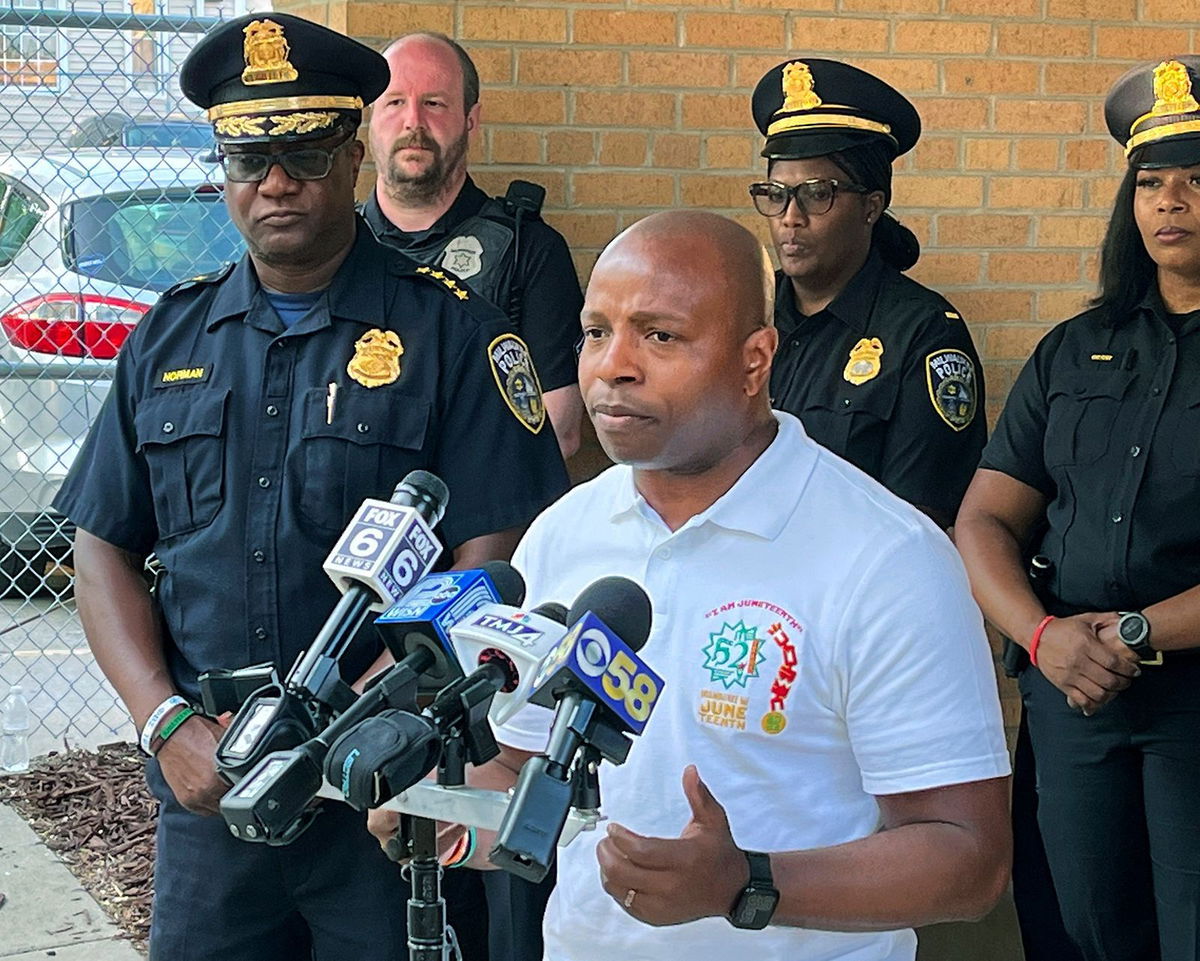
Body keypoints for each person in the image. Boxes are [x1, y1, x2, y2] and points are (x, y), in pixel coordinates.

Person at [52, 14, 568, 961]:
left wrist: (367, 717)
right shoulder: (169, 338)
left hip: (384, 798)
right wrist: (164, 721)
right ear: (225, 172)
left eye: (304, 152)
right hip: (213, 791)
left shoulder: (456, 335)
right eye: (250, 158)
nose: (276, 182)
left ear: (351, 153)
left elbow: (491, 559)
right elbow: (103, 543)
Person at [371, 210, 1012, 960]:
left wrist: (747, 885)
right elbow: (524, 769)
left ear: (755, 359)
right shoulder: (563, 534)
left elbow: (970, 859)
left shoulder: (888, 557)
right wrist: (436, 812)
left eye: (660, 335)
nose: (613, 365)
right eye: (595, 331)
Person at [956, 56, 1200, 961]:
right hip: (1074, 694)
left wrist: (1134, 631)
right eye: (1151, 182)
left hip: (1187, 697)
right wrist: (1041, 636)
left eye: (1196, 180)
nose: (1169, 201)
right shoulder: (1074, 350)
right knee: (1085, 929)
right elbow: (982, 521)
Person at [749, 59, 986, 528]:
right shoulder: (747, 310)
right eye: (776, 193)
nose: (790, 217)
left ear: (871, 207)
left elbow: (921, 522)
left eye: (818, 194)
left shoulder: (924, 335)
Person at [364, 31, 584, 459]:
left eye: (434, 103)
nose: (413, 121)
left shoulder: (528, 250)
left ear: (470, 118)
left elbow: (558, 428)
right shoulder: (330, 247)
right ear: (371, 119)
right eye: (394, 102)